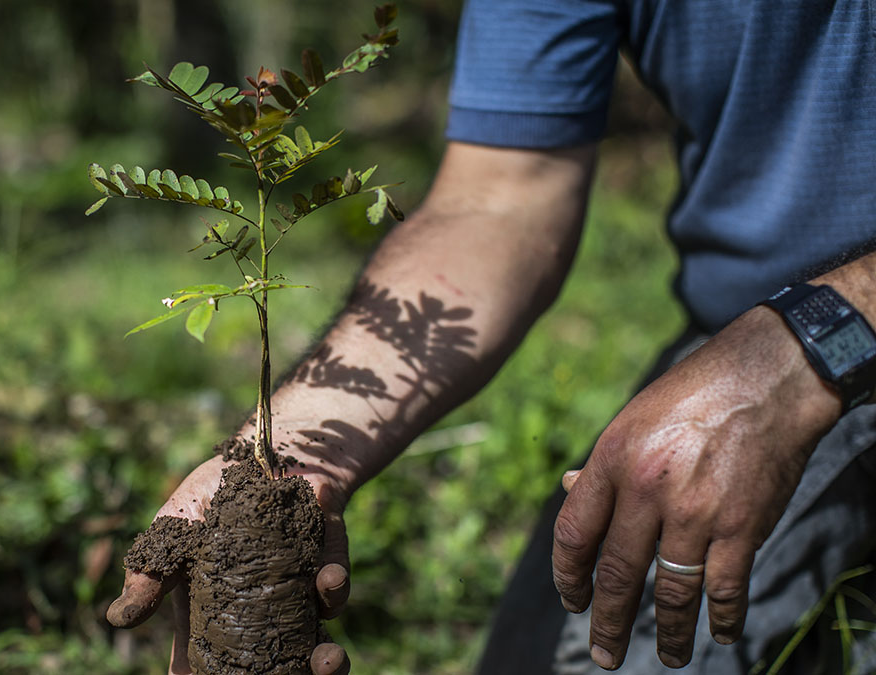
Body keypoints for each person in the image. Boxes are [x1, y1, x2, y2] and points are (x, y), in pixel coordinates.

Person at [108, 1, 876, 672]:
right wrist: (301, 450)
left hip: (810, 346)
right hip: (744, 339)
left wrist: (814, 341)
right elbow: (501, 202)